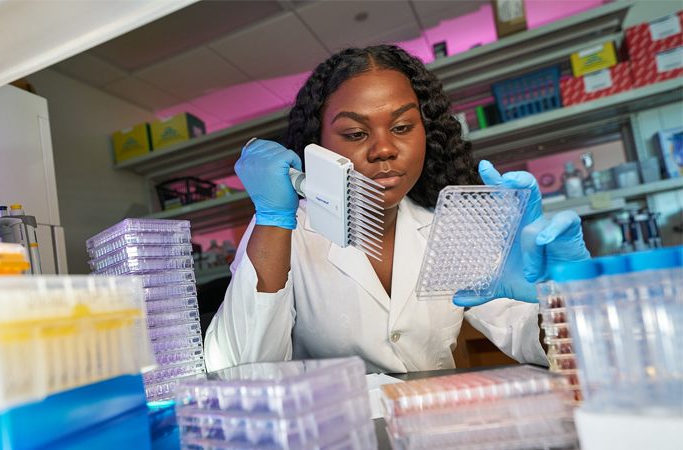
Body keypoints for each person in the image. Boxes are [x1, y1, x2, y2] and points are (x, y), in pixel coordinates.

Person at [203, 45, 589, 373]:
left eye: (403, 127)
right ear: (316, 145)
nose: (384, 149)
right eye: (355, 133)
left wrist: (562, 297)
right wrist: (273, 219)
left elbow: (537, 341)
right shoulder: (286, 232)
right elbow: (236, 372)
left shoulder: (451, 226)